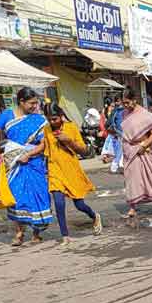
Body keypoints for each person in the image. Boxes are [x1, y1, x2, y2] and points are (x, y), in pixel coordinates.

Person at [0, 87, 53, 246]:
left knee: (37, 195)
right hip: (13, 162)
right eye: (31, 103)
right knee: (17, 196)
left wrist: (28, 155)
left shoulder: (39, 120)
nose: (35, 106)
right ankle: (19, 232)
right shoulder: (7, 115)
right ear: (21, 102)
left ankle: (37, 232)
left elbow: (43, 143)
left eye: (36, 103)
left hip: (34, 162)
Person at [43, 103, 102, 245]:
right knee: (58, 202)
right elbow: (47, 150)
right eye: (49, 119)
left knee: (79, 204)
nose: (52, 122)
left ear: (61, 116)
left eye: (55, 119)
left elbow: (83, 151)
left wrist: (68, 141)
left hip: (71, 169)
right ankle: (65, 236)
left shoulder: (71, 128)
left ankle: (94, 216)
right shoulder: (46, 130)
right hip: (54, 169)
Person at [120, 87, 152, 217]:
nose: (125, 105)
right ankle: (132, 207)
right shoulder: (124, 114)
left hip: (142, 151)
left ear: (134, 100)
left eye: (127, 102)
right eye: (123, 103)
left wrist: (144, 145)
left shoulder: (144, 114)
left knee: (148, 178)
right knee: (130, 179)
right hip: (129, 151)